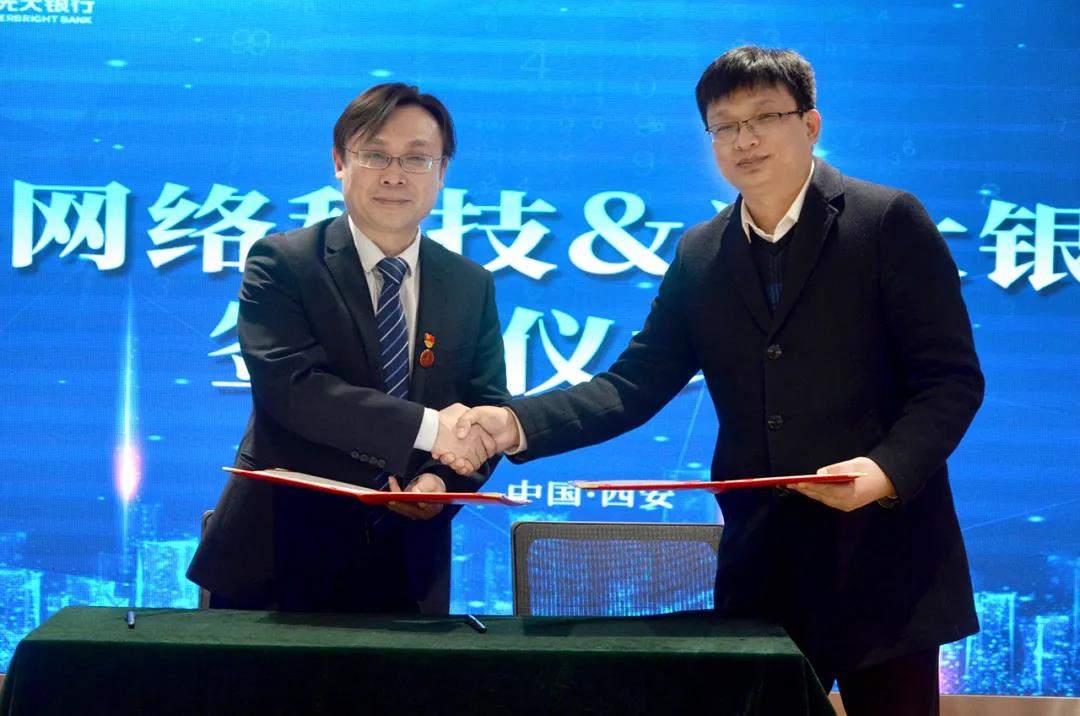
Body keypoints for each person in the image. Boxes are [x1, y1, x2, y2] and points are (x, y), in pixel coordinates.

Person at [448, 47, 983, 715]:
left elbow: (950, 380)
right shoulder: (701, 251)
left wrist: (883, 472)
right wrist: (513, 423)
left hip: (886, 561)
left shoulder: (885, 221)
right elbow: (634, 384)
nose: (744, 139)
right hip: (764, 569)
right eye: (725, 125)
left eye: (765, 117)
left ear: (810, 124)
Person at [187, 83, 507, 615]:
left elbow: (485, 407)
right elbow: (294, 391)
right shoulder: (283, 263)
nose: (395, 175)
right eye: (375, 154)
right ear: (340, 162)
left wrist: (438, 481)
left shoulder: (470, 284)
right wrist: (432, 428)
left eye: (417, 159)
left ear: (442, 172)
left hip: (409, 569)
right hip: (278, 559)